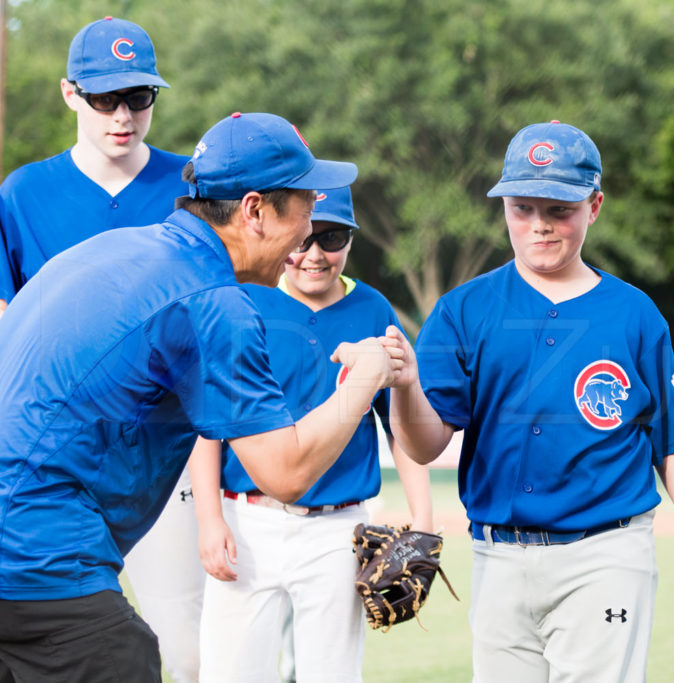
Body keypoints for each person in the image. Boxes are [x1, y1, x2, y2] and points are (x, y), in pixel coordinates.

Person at [0, 111, 397, 682]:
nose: (310, 230)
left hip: (28, 546)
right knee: (125, 657)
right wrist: (367, 377)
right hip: (39, 554)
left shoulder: (120, 248)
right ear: (255, 210)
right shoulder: (211, 299)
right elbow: (283, 472)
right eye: (307, 206)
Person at [386, 120, 674, 682]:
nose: (539, 225)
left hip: (605, 556)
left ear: (594, 205)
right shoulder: (464, 310)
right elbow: (427, 444)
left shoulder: (633, 314)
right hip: (497, 557)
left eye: (559, 208)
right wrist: (405, 388)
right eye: (522, 208)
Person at [0, 17, 203, 681]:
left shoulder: (191, 188)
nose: (122, 115)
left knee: (183, 649)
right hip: (49, 465)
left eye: (139, 97)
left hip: (157, 457)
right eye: (104, 98)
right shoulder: (26, 192)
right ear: (69, 94)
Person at [191, 186, 434, 682]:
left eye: (333, 238)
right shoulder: (244, 300)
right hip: (247, 518)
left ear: (350, 240)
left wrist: (424, 518)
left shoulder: (373, 310)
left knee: (332, 674)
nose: (315, 255)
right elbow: (208, 428)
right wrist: (210, 519)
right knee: (230, 671)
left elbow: (399, 426)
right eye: (305, 239)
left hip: (337, 528)